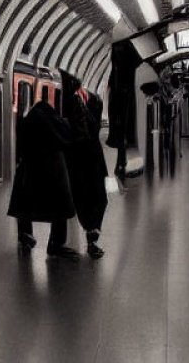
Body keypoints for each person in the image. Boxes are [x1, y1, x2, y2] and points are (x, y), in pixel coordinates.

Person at [7, 93, 79, 259]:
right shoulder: (53, 123)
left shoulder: (27, 122)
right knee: (60, 208)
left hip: (29, 169)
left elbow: (21, 147)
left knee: (24, 204)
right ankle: (56, 244)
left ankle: (25, 235)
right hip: (53, 170)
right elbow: (68, 138)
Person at [61, 71, 108, 259]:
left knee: (84, 198)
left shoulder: (74, 102)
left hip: (79, 160)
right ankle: (92, 235)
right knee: (96, 198)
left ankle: (91, 233)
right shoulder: (87, 101)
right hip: (90, 159)